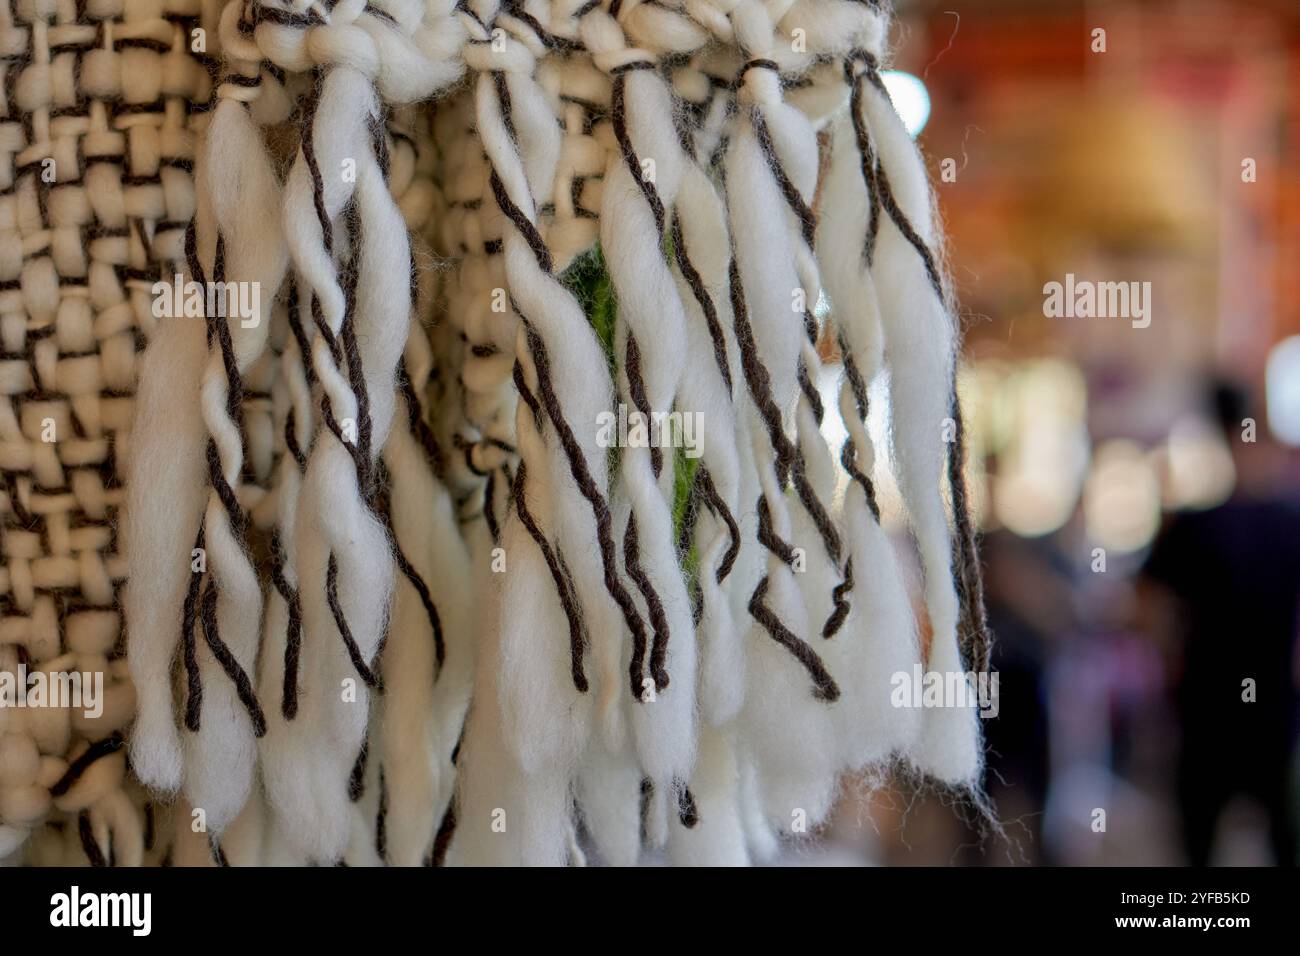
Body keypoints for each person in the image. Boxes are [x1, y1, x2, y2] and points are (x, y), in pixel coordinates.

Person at [1141, 381, 1300, 866]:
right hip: (1273, 713)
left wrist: (1171, 657)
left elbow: (1145, 610)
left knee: (1200, 845)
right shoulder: (1289, 521)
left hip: (1206, 710)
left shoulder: (1194, 525)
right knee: (1283, 840)